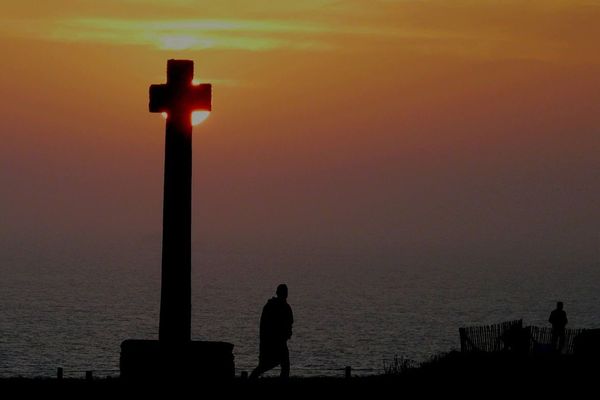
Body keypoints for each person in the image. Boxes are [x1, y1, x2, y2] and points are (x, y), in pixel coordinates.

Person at [250, 284, 294, 379]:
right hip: (274, 342)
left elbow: (288, 323)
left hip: (277, 341)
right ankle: (252, 377)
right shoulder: (276, 306)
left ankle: (252, 377)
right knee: (271, 364)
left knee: (282, 365)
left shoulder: (273, 306)